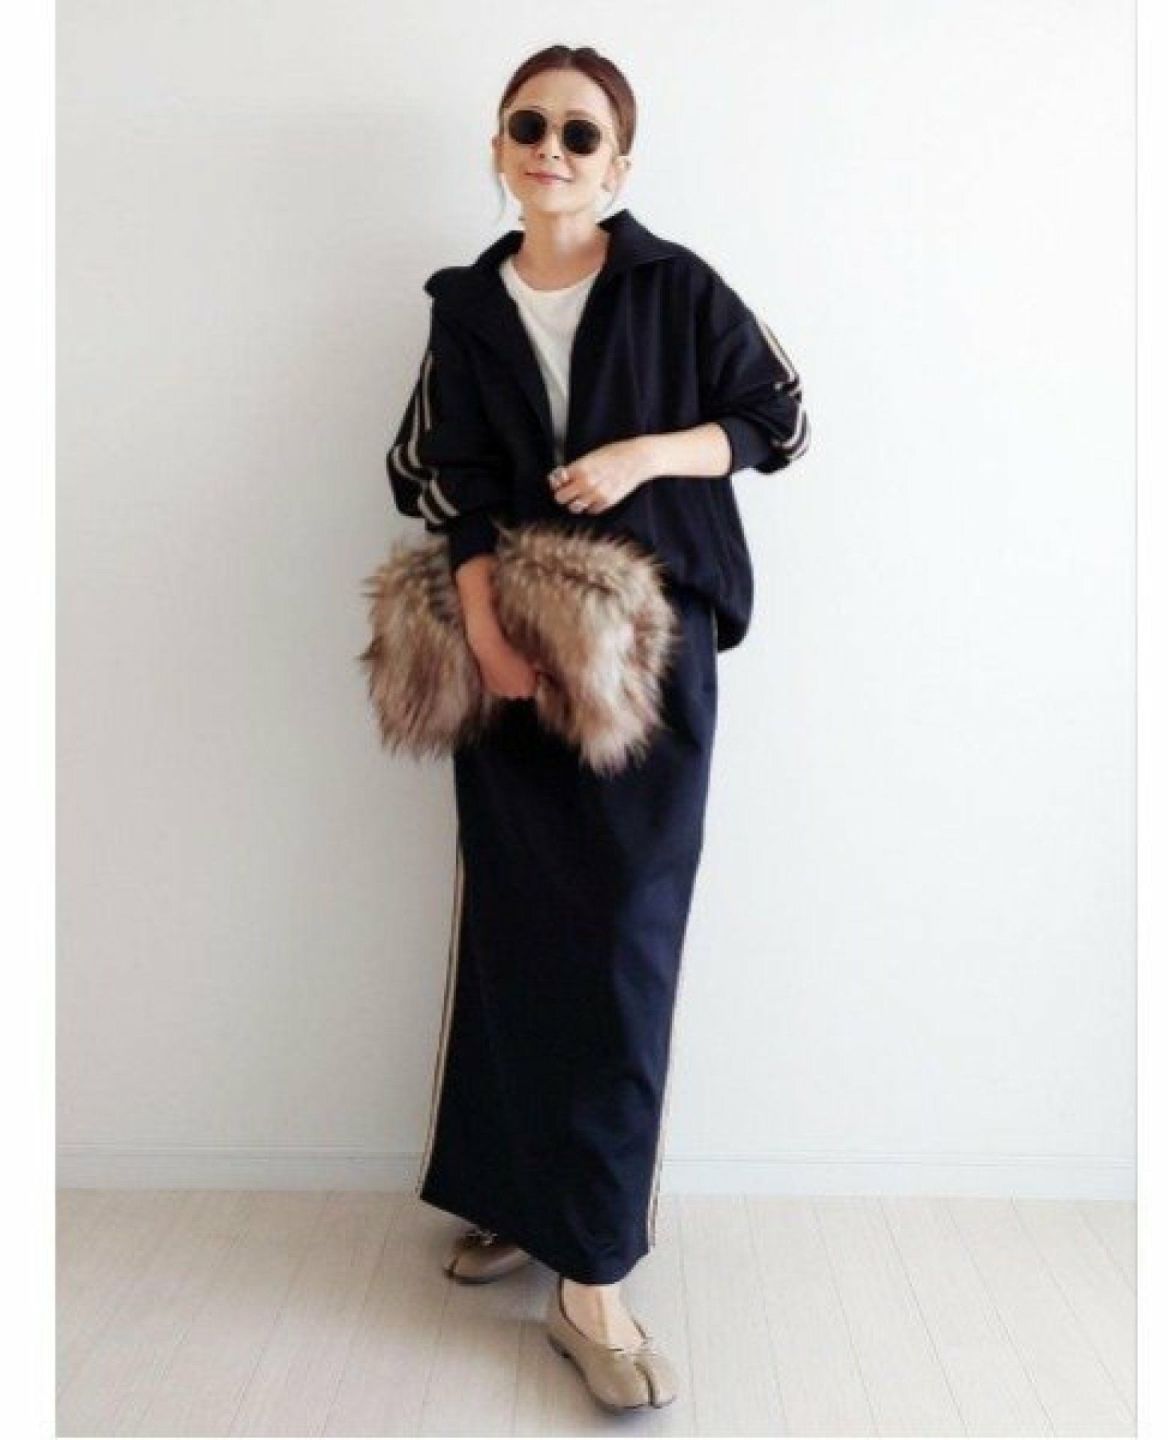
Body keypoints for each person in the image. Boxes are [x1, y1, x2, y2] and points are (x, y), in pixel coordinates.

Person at [385, 43, 810, 1413]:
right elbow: (436, 473)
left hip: (648, 655)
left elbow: (780, 417)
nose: (552, 150)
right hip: (506, 647)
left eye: (581, 133)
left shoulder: (678, 288)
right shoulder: (465, 303)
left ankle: (595, 1278)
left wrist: (643, 455)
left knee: (624, 943)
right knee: (516, 930)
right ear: (498, 149)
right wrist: (486, 631)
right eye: (530, 125)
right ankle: (521, 1202)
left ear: (618, 162)